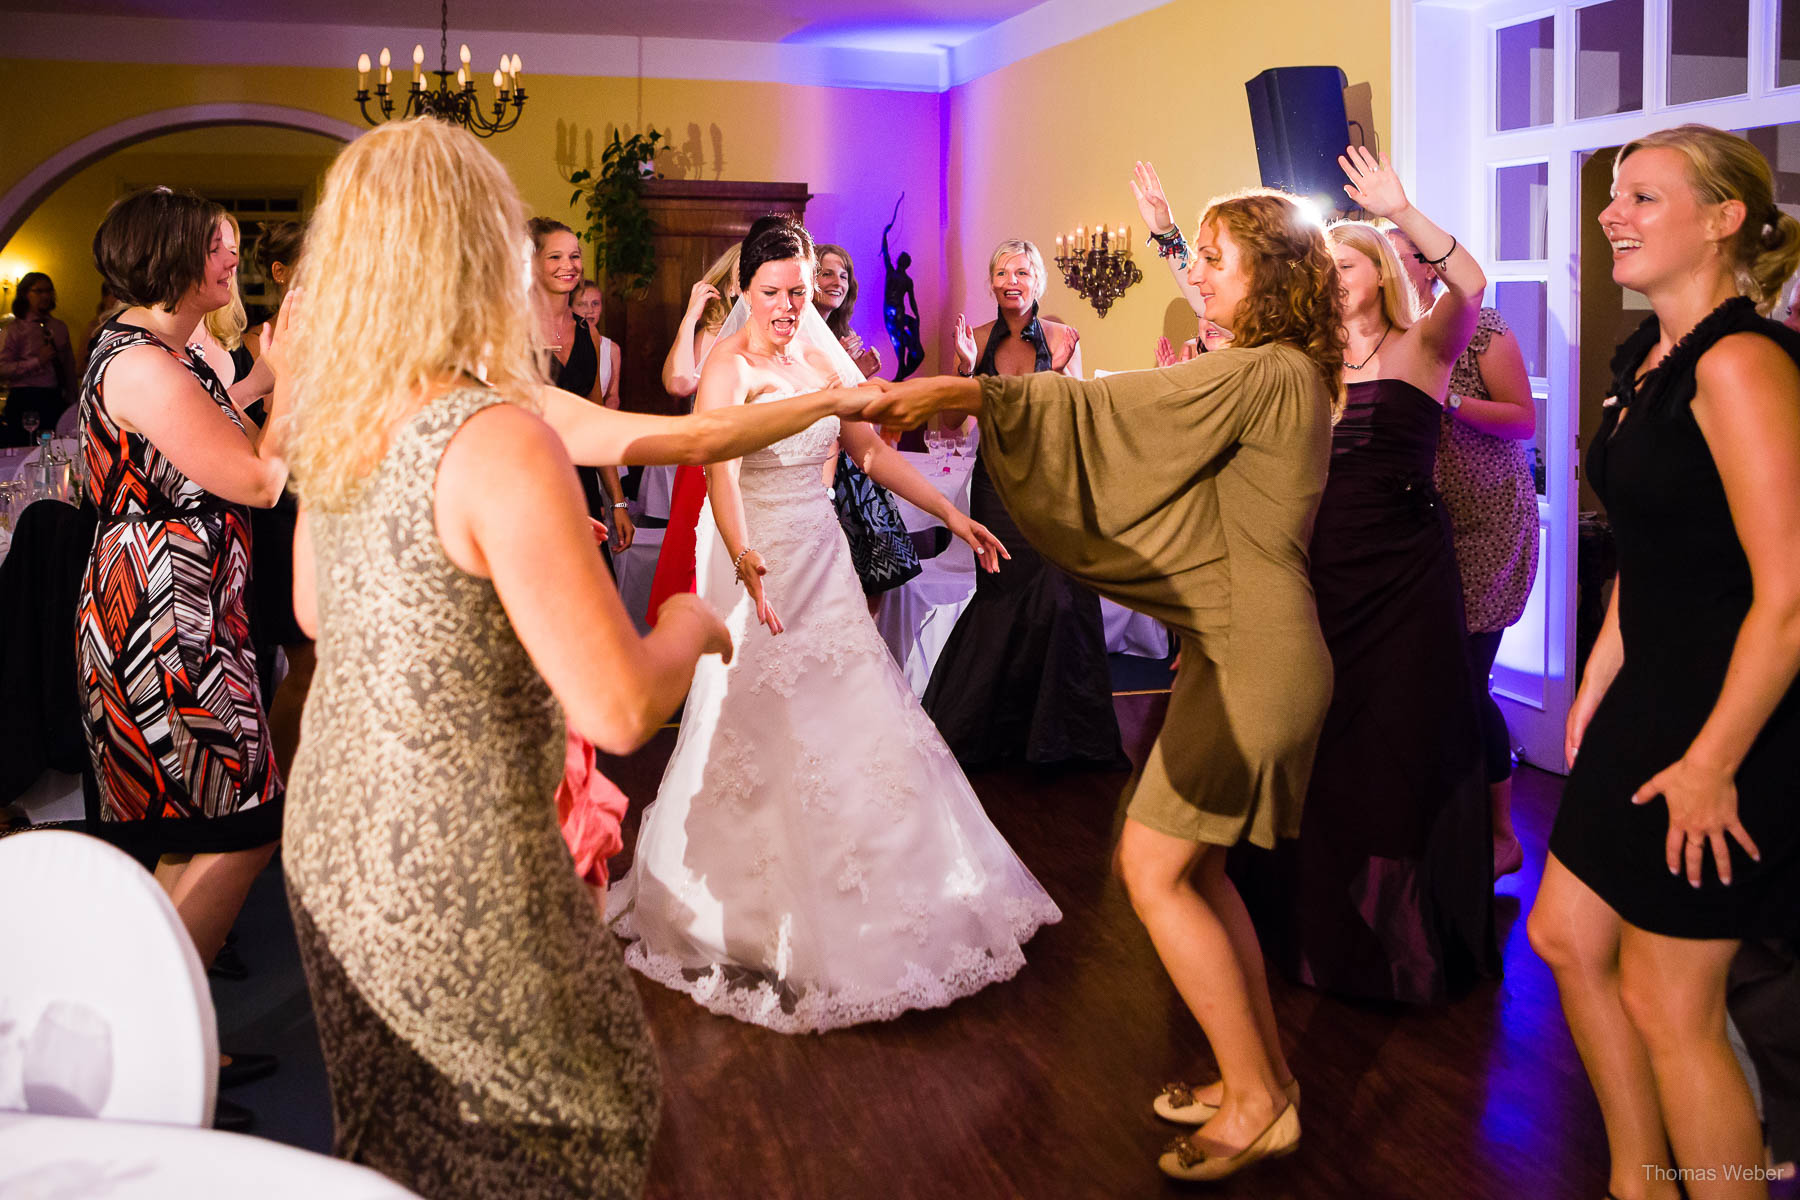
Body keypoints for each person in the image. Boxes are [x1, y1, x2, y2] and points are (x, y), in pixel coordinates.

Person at [279, 120, 882, 1198]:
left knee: (401, 1136)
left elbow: (316, 611)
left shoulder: (346, 417)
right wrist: (691, 623)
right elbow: (615, 707)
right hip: (450, 839)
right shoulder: (495, 434)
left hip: (331, 828)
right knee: (573, 1118)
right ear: (477, 259)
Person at [863, 183, 1343, 1184]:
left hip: (1257, 652)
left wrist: (962, 393)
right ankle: (1260, 1076)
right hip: (1230, 647)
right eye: (1197, 254)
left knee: (1155, 873)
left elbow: (1124, 412)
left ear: (1278, 278)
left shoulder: (1270, 371)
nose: (1197, 272)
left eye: (1215, 257)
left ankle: (1259, 1103)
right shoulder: (1274, 369)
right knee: (1197, 874)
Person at [608, 215, 1061, 1036]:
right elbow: (719, 476)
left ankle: (889, 889)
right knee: (761, 721)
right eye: (773, 293)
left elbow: (874, 454)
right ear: (745, 288)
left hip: (822, 555)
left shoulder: (822, 358)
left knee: (856, 710)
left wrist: (950, 517)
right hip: (761, 564)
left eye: (797, 292)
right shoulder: (728, 366)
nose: (787, 308)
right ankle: (750, 909)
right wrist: (744, 562)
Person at [1527, 123, 1800, 1200]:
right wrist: (1598, 674)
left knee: (1671, 1002)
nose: (1612, 215)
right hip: (1650, 696)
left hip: (1731, 717)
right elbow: (1658, 542)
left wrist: (1712, 761)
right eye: (1613, 196)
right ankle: (1640, 1180)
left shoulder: (1742, 362)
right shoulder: (1648, 359)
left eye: (1643, 197)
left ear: (1726, 219)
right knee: (1561, 935)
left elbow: (1786, 598)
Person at [1234, 151, 1498, 1006]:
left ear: (1379, 273)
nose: (1331, 277)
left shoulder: (1425, 344)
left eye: (1345, 263)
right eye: (1322, 267)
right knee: (1324, 751)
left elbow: (1470, 286)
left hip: (1407, 582)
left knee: (1399, 747)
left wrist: (1404, 209)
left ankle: (1407, 944)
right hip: (1316, 577)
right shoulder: (1296, 363)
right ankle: (1314, 929)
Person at [77, 189, 288, 980]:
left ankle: (158, 1030)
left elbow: (212, 428)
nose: (233, 258)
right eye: (215, 247)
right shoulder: (139, 363)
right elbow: (261, 481)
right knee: (246, 822)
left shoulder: (171, 354)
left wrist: (262, 378)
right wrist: (291, 379)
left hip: (194, 608)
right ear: (172, 260)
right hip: (160, 620)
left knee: (191, 824)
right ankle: (161, 1018)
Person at [919, 239, 1123, 770]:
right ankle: (987, 734)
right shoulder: (975, 339)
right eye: (1002, 271)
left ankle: (1059, 737)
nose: (1013, 279)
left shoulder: (1063, 339)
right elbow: (949, 425)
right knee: (1003, 596)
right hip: (997, 487)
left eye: (1023, 271)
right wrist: (965, 372)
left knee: (1059, 598)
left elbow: (1080, 419)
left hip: (1053, 486)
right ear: (991, 283)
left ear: (1038, 282)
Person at [1389, 225, 1540, 881]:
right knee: (1422, 682)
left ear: (1427, 266)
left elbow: (1522, 420)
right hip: (1414, 527)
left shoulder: (1484, 328)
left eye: (1393, 258)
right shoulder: (1384, 337)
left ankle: (1503, 833)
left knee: (1466, 682)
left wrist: (1445, 398)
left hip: (1485, 526)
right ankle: (1436, 824)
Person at [645, 247, 742, 625]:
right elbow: (678, 381)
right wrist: (690, 317)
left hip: (755, 463)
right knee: (695, 559)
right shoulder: (713, 333)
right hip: (706, 462)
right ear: (731, 280)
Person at [530, 218, 632, 552]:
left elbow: (596, 421)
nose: (568, 266)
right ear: (531, 264)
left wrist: (617, 503)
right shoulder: (509, 330)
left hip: (581, 481)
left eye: (574, 256)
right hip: (530, 476)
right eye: (555, 257)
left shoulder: (588, 333)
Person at [0, 271, 77, 444]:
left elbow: (68, 365)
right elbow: (2, 368)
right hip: (25, 398)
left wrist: (73, 399)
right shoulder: (14, 330)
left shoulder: (59, 327)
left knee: (57, 447)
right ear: (25, 294)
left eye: (49, 291)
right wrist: (37, 361)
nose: (45, 296)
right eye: (39, 291)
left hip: (55, 397)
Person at [814, 243, 881, 378]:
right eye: (827, 274)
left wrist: (858, 374)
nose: (838, 283)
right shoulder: (795, 331)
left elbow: (844, 392)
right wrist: (836, 362)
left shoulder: (844, 332)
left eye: (843, 277)